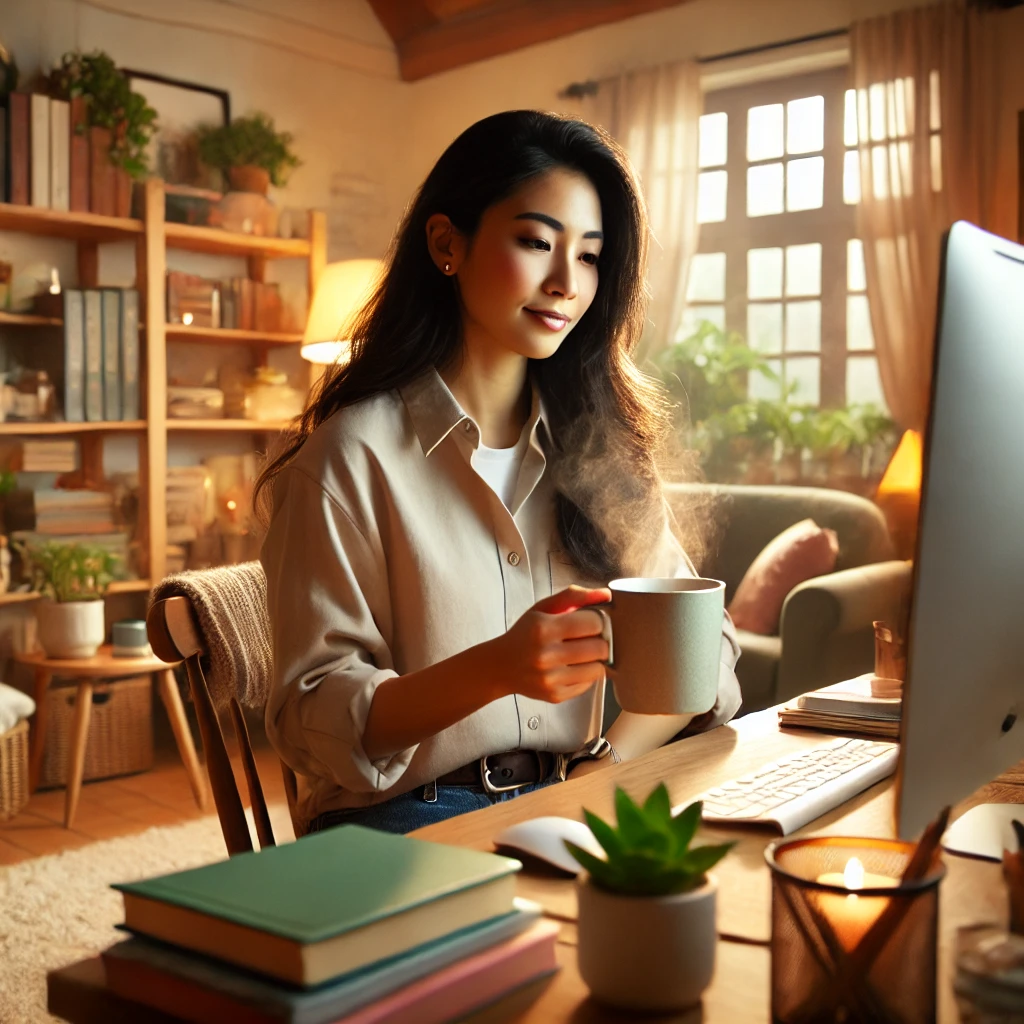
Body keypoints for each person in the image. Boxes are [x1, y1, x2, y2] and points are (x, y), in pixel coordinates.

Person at [257, 110, 741, 836]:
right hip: (407, 821)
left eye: (589, 255)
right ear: (447, 244)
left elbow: (708, 649)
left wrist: (605, 763)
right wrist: (497, 668)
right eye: (536, 242)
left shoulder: (601, 452)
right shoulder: (348, 459)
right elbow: (311, 721)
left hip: (570, 801)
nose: (565, 282)